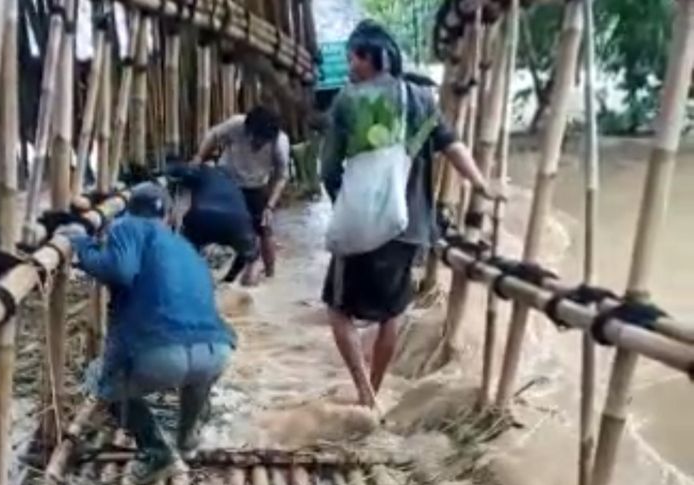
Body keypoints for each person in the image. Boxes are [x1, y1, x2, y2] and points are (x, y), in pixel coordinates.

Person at [321, 20, 497, 409]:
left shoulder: (348, 101)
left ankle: (364, 392)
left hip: (364, 223)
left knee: (337, 309)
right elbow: (453, 147)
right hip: (412, 228)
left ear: (368, 58)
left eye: (352, 56)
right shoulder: (420, 98)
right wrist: (482, 186)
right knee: (392, 314)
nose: (348, 65)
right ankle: (376, 394)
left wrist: (345, 204)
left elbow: (329, 170)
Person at [61, 182, 237, 485]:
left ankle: (159, 454)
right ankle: (187, 439)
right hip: (216, 352)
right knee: (195, 377)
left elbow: (120, 271)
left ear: (130, 209)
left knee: (100, 379)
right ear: (169, 215)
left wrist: (82, 244)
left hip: (163, 356)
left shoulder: (127, 225)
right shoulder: (183, 245)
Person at [192, 106, 290, 285]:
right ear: (247, 130)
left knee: (265, 229)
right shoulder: (236, 124)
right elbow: (213, 135)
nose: (256, 144)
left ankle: (271, 277)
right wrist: (199, 157)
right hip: (226, 181)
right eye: (253, 138)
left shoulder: (280, 143)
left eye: (261, 141)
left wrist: (270, 206)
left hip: (255, 186)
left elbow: (281, 176)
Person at [166, 160, 259, 284]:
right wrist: (228, 279)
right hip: (238, 221)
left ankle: (188, 281)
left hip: (203, 214)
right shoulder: (234, 184)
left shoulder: (205, 172)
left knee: (188, 250)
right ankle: (240, 283)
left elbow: (176, 171)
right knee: (251, 258)